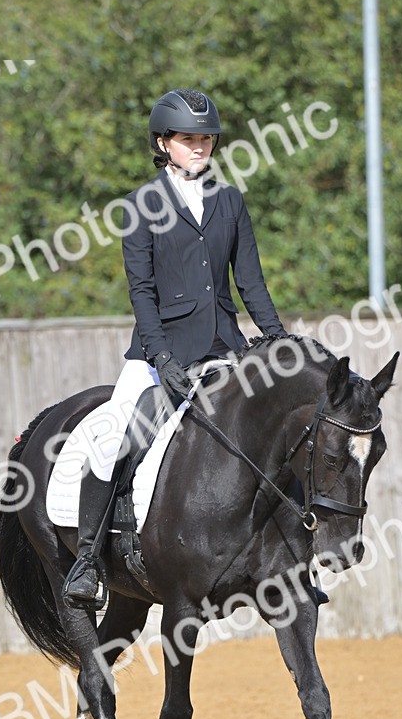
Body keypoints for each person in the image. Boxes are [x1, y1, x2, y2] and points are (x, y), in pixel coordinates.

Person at [62, 87, 288, 609]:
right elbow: (141, 292)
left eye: (206, 139)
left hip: (224, 348)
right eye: (188, 139)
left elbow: (250, 282)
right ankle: (87, 562)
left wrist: (277, 338)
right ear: (163, 143)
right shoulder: (141, 206)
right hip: (158, 356)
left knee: (276, 432)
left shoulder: (230, 201)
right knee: (113, 439)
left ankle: (290, 557)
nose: (200, 147)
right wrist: (161, 357)